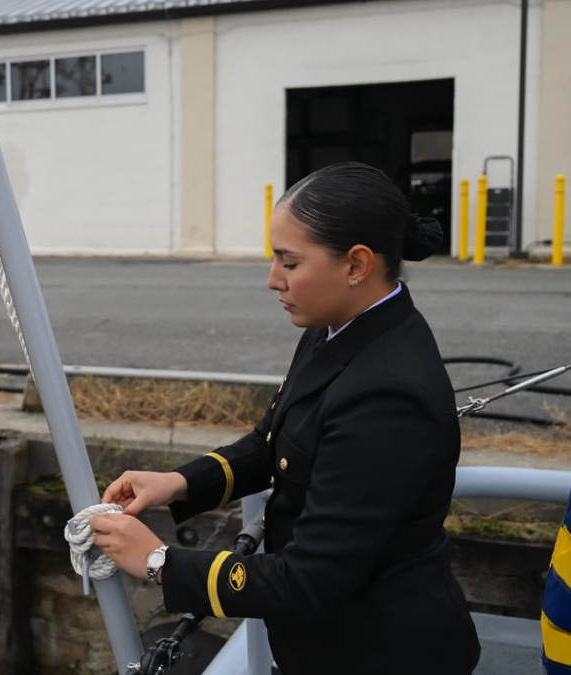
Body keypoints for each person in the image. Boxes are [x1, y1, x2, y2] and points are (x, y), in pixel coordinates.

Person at [90, 162, 481, 674]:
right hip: (325, 644)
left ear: (357, 265)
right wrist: (178, 482)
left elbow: (309, 580)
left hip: (380, 652)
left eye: (290, 263)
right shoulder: (337, 328)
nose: (273, 280)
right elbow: (274, 443)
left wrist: (161, 561)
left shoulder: (388, 394)